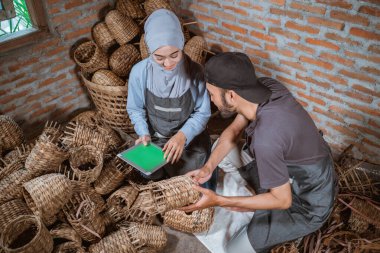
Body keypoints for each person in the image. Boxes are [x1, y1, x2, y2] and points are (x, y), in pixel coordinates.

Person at [180, 52, 337, 252]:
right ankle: (258, 198)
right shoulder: (266, 87)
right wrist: (208, 168)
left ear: (230, 95)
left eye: (211, 94)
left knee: (233, 250)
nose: (211, 100)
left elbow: (283, 200)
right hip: (290, 171)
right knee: (222, 147)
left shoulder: (266, 138)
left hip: (307, 202)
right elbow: (234, 131)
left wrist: (220, 200)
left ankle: (263, 206)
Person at [127, 9, 212, 180]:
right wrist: (143, 133)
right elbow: (135, 109)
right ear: (150, 51)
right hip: (156, 140)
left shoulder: (196, 72)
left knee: (189, 177)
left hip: (189, 141)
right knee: (147, 174)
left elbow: (203, 112)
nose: (167, 64)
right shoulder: (139, 72)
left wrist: (183, 136)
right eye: (159, 57)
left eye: (175, 55)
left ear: (181, 45)